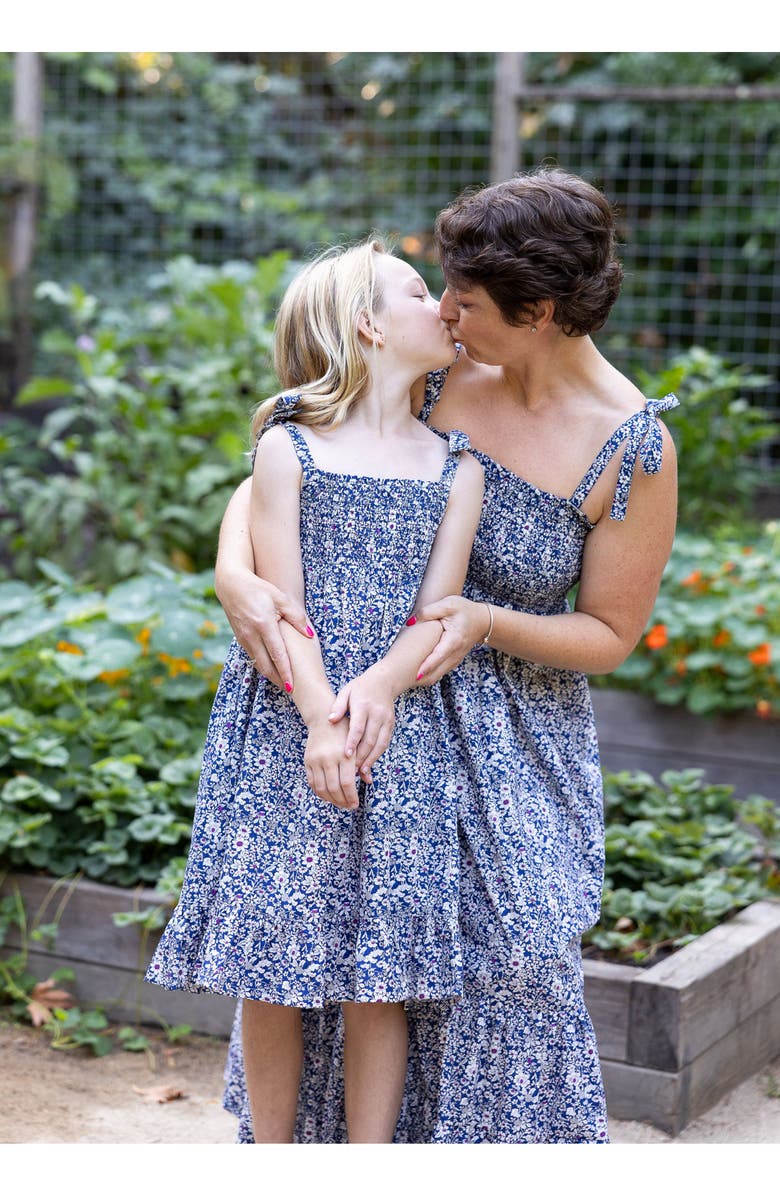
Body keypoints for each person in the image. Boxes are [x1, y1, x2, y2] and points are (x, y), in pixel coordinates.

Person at [215, 166, 679, 1144]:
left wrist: (481, 621)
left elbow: (609, 633)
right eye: (441, 293)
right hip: (379, 698)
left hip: (510, 724)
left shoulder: (632, 449)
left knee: (505, 967)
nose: (450, 311)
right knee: (338, 936)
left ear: (540, 308)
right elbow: (300, 442)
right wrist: (231, 567)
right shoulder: (439, 365)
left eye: (466, 298)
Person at [144, 237, 485, 1143]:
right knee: (275, 962)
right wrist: (318, 722)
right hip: (286, 731)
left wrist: (371, 699)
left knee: (384, 973)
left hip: (398, 734)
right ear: (368, 325)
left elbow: (432, 614)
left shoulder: (460, 469)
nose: (442, 308)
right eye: (420, 293)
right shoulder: (289, 450)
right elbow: (280, 606)